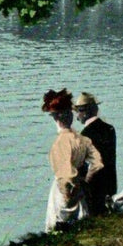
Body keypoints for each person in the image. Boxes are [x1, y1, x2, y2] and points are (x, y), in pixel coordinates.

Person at [42, 88, 104, 232]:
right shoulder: (83, 140)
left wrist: (67, 199)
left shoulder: (60, 143)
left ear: (56, 118)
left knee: (57, 228)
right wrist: (84, 182)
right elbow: (97, 164)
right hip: (80, 188)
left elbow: (65, 177)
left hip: (65, 191)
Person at [74, 92, 117, 215]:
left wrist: (85, 181)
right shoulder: (110, 129)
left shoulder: (84, 135)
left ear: (85, 112)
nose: (77, 117)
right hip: (110, 182)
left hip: (93, 186)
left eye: (78, 112)